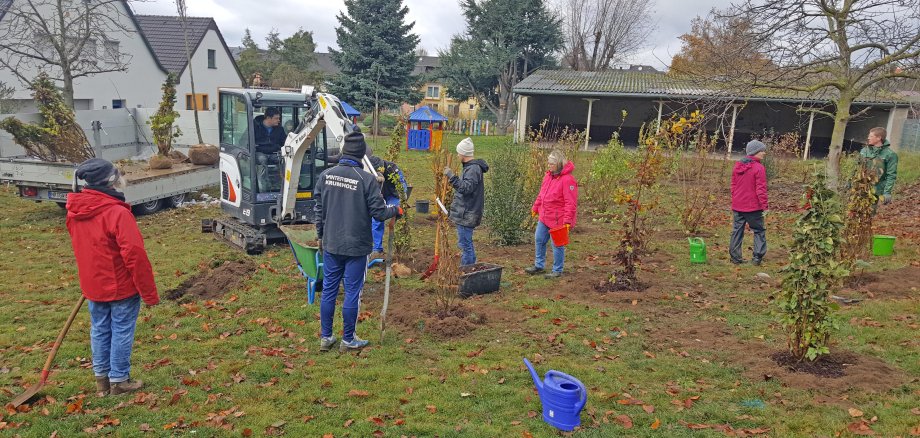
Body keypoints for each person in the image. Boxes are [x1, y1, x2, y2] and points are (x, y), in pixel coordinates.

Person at [66, 158, 159, 396]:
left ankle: (101, 382)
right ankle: (118, 380)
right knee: (120, 330)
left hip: (93, 284)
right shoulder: (116, 213)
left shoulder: (75, 210)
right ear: (111, 181)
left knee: (99, 329)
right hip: (120, 287)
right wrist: (149, 293)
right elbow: (135, 255)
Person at [314, 132, 402, 352]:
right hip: (357, 246)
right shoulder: (366, 179)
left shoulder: (326, 176)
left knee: (329, 290)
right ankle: (348, 339)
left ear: (344, 151)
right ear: (362, 154)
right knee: (352, 291)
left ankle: (326, 337)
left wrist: (320, 236)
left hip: (332, 243)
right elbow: (379, 212)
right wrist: (396, 210)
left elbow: (318, 209)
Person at [525, 150, 578, 279]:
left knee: (557, 244)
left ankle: (557, 270)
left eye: (551, 164)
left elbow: (570, 203)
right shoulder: (548, 176)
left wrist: (567, 221)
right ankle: (539, 265)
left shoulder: (568, 180)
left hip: (558, 219)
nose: (549, 166)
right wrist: (536, 207)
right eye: (548, 163)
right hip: (544, 216)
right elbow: (542, 194)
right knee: (539, 239)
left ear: (559, 164)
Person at [444, 137, 489, 266]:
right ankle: (471, 268)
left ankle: (466, 271)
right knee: (466, 244)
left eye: (458, 153)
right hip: (466, 212)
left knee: (465, 245)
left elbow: (466, 188)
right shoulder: (470, 167)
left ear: (463, 154)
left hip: (468, 213)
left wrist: (452, 177)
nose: (457, 155)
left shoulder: (473, 169)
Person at [730, 140, 769, 266]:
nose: (764, 153)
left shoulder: (737, 165)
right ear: (755, 152)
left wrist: (735, 197)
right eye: (762, 150)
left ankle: (735, 258)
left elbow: (733, 185)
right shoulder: (759, 168)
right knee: (759, 231)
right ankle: (757, 258)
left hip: (738, 205)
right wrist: (765, 206)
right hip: (753, 207)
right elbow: (761, 189)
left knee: (737, 231)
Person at [367, 147, 409, 256]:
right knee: (376, 219)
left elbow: (402, 185)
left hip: (393, 195)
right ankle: (377, 249)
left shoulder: (392, 168)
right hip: (378, 195)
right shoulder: (369, 170)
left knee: (395, 214)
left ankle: (399, 247)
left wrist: (402, 201)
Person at [859, 127, 898, 206]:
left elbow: (891, 175)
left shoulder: (890, 155)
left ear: (879, 138)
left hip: (875, 189)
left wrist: (887, 192)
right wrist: (850, 182)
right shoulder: (864, 151)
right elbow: (857, 168)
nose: (868, 138)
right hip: (860, 188)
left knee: (869, 212)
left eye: (871, 136)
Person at [252, 108, 287, 191]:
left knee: (283, 159)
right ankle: (263, 188)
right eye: (276, 118)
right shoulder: (255, 128)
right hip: (259, 152)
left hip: (274, 152)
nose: (278, 120)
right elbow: (245, 141)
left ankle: (281, 187)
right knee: (262, 159)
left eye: (279, 118)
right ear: (268, 118)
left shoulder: (280, 129)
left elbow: (285, 142)